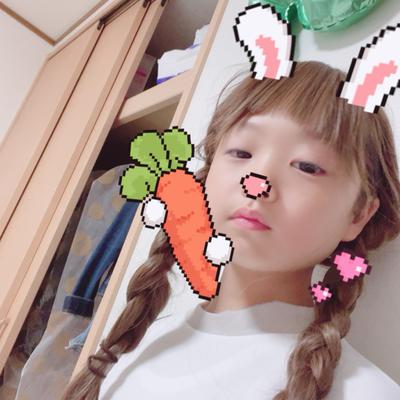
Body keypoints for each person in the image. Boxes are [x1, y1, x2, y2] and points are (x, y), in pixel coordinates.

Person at [61, 61, 400, 399]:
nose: (257, 182)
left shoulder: (366, 392)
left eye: (307, 166)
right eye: (241, 152)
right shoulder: (139, 345)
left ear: (359, 214)